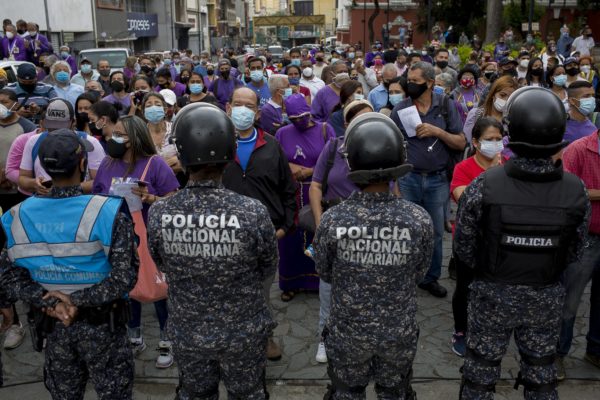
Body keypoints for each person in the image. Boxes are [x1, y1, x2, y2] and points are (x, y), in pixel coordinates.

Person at [454, 87, 590, 400]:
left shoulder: (484, 184)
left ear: (510, 130)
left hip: (491, 296)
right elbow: (576, 250)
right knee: (541, 377)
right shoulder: (575, 190)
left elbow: (463, 246)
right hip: (545, 296)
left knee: (479, 379)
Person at [146, 102, 277, 399]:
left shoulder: (160, 212)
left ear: (180, 155)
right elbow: (268, 266)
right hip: (243, 332)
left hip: (188, 331)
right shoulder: (252, 211)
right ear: (230, 153)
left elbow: (161, 261)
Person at [0, 128, 138, 399]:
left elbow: (9, 278)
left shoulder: (16, 215)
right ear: (83, 164)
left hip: (54, 325)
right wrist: (76, 301)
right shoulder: (106, 211)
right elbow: (125, 277)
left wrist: (52, 302)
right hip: (103, 328)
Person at [314, 112, 433, 400]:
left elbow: (325, 270)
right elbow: (419, 271)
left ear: (351, 161)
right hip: (397, 333)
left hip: (347, 334)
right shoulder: (418, 219)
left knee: (346, 393)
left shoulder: (333, 219)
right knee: (395, 393)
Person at [92, 115, 179, 368]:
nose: (113, 138)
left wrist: (150, 198)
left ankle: (166, 339)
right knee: (126, 288)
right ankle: (134, 335)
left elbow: (173, 201)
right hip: (117, 238)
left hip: (151, 237)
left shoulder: (155, 164)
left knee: (158, 288)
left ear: (135, 138)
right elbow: (97, 197)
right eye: (113, 134)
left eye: (121, 135)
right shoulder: (108, 164)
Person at [221, 87, 296, 361]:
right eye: (237, 104)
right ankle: (231, 340)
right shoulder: (217, 142)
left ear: (257, 112)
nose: (241, 110)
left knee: (261, 293)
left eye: (248, 105)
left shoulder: (272, 144)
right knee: (226, 292)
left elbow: (288, 189)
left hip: (265, 236)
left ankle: (265, 338)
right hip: (224, 236)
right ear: (228, 108)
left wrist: (285, 227)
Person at [391, 61, 466, 298]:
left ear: (430, 83)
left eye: (415, 81)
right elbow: (392, 147)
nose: (409, 85)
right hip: (408, 179)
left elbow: (461, 142)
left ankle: (430, 277)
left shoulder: (446, 106)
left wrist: (437, 132)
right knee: (406, 230)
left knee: (434, 231)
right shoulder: (400, 109)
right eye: (408, 81)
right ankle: (404, 276)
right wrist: (395, 183)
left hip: (437, 180)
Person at [310, 99, 373, 364]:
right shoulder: (333, 147)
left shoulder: (380, 149)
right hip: (336, 229)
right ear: (346, 124)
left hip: (370, 231)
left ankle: (363, 337)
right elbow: (315, 186)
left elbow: (393, 189)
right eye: (356, 119)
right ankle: (325, 337)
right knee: (328, 286)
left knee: (368, 286)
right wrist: (320, 224)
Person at [449, 117, 504, 357]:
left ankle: (489, 329)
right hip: (469, 241)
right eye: (489, 140)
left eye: (499, 139)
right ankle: (461, 331)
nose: (495, 144)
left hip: (499, 240)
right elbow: (463, 197)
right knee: (465, 287)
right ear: (475, 142)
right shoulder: (464, 168)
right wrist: (490, 176)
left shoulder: (508, 165)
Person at [275, 94, 336, 302]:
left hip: (319, 191)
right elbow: (276, 159)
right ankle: (291, 282)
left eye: (301, 116)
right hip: (293, 192)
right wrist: (290, 167)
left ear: (309, 110)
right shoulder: (282, 133)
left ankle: (321, 281)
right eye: (293, 119)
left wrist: (311, 171)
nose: (298, 121)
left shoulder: (325, 129)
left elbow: (333, 159)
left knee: (318, 234)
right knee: (291, 238)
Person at [556, 121, 600, 380]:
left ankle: (595, 349)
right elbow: (568, 190)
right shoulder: (579, 149)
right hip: (584, 239)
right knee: (569, 301)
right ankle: (557, 354)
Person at [19, 98, 105, 195]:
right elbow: (22, 178)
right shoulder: (34, 141)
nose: (56, 131)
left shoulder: (90, 143)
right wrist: (34, 183)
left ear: (73, 122)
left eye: (61, 126)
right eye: (52, 126)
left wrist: (66, 190)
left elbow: (101, 181)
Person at [463, 76, 518, 145]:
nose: (506, 100)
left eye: (510, 97)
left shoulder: (513, 120)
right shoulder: (476, 114)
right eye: (502, 95)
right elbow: (467, 142)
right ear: (493, 94)